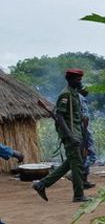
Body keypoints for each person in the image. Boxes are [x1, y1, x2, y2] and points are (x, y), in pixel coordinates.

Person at [33, 69, 90, 202]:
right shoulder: (65, 95)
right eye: (78, 79)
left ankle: (42, 184)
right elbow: (60, 116)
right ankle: (79, 195)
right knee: (77, 164)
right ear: (70, 80)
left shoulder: (74, 94)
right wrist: (70, 136)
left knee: (71, 162)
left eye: (80, 79)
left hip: (77, 133)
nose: (80, 81)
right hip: (71, 134)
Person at [79, 88, 97, 190]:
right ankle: (78, 174)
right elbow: (85, 117)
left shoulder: (74, 98)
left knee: (83, 156)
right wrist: (86, 131)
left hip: (77, 131)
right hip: (83, 130)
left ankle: (84, 181)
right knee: (92, 156)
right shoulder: (81, 98)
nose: (87, 90)